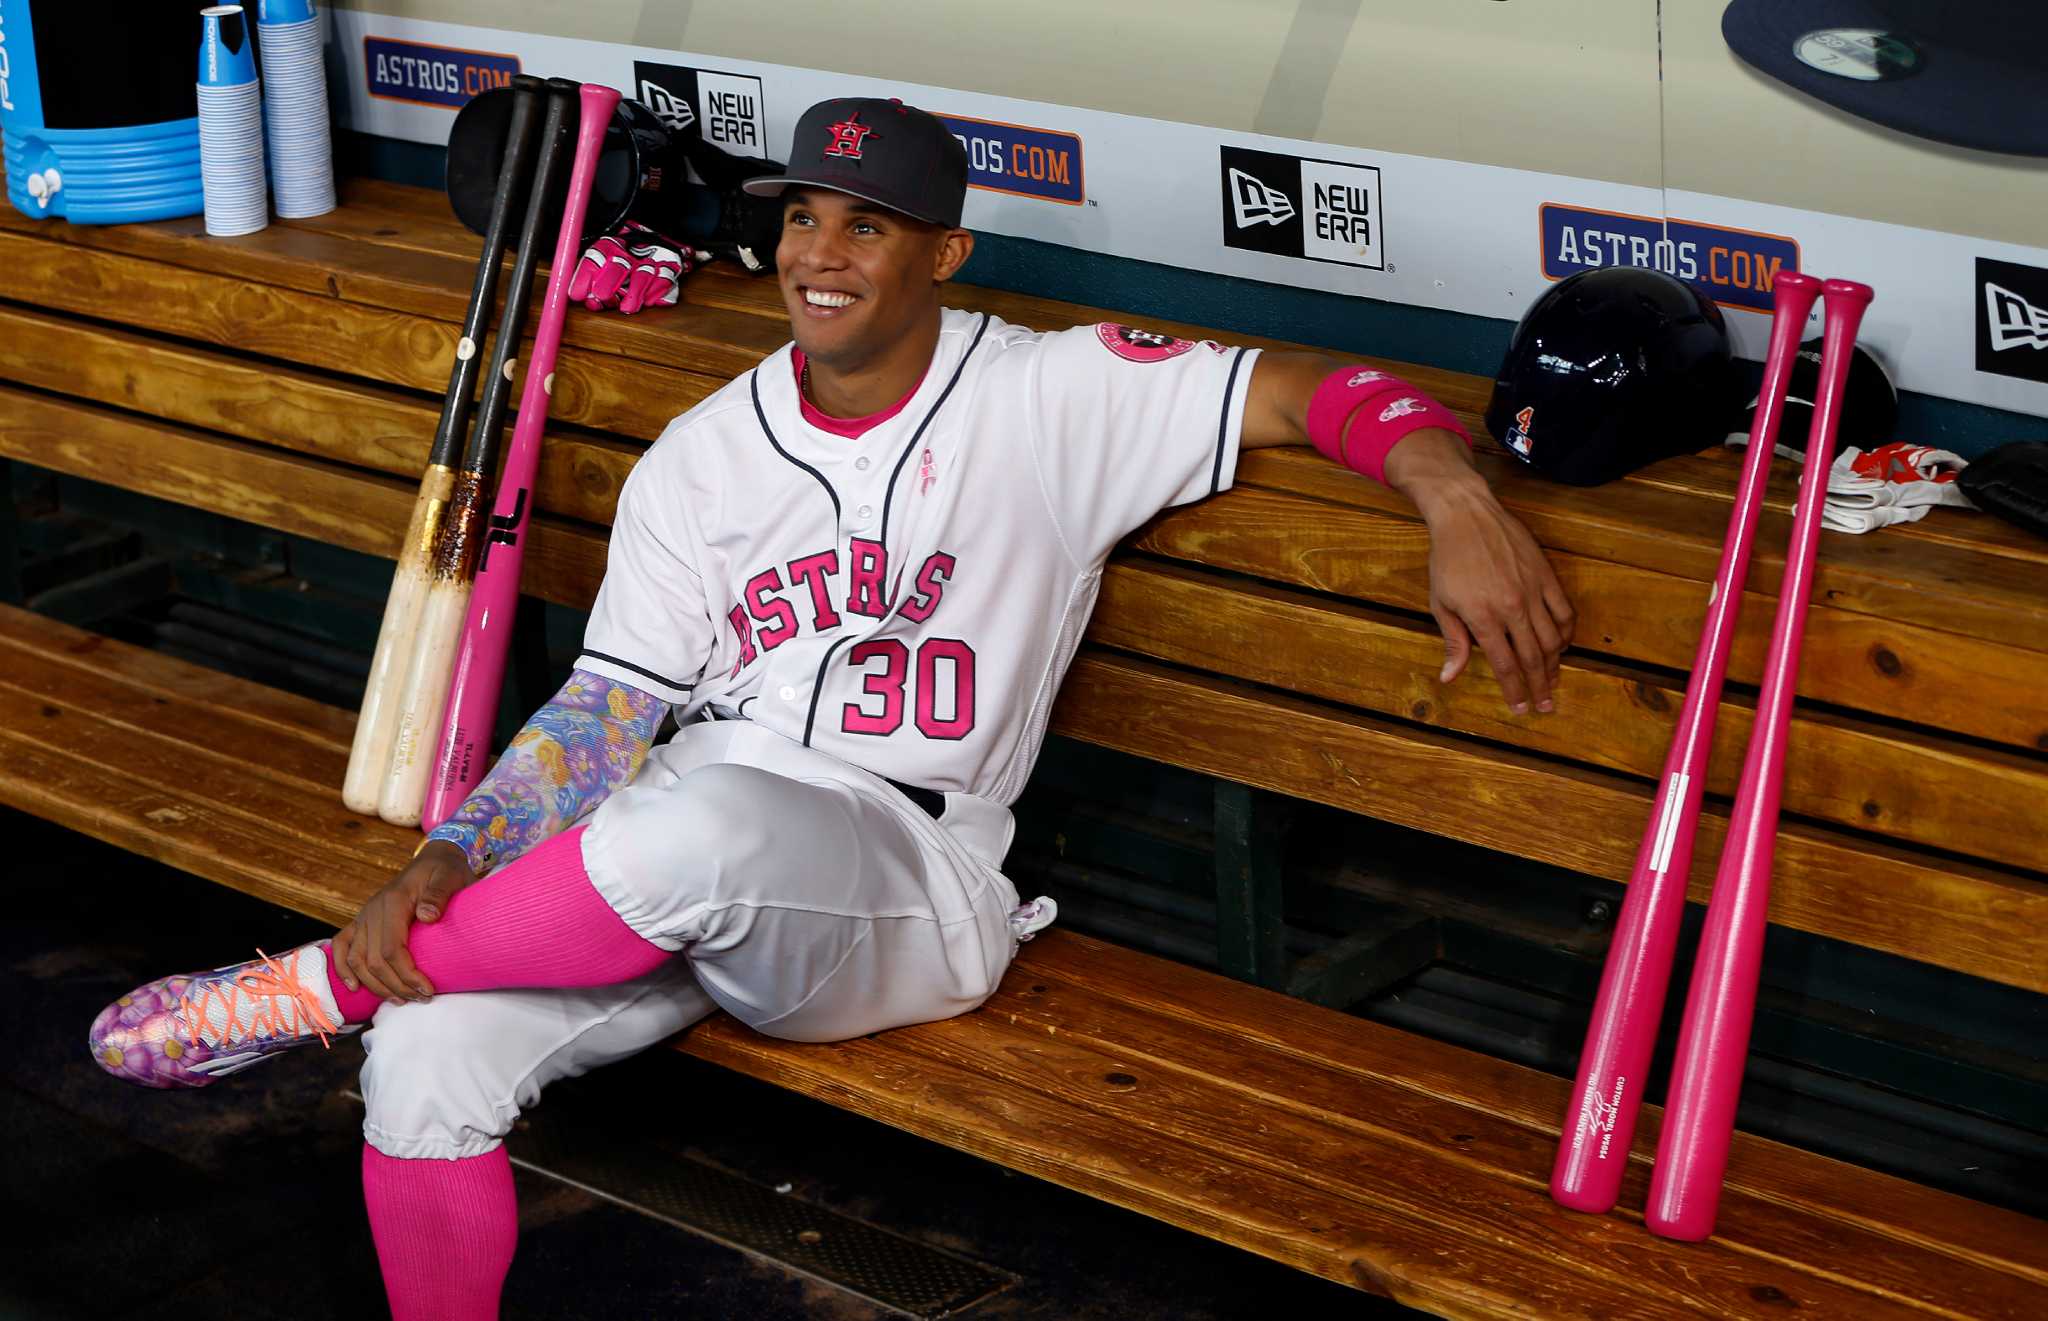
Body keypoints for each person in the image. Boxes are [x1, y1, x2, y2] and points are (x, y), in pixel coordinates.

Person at [88, 97, 1573, 1319]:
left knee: (697, 821)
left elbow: (1305, 380)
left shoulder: (1052, 397)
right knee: (430, 1057)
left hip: (906, 884)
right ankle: (372, 1029)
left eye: (868, 222)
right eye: (804, 214)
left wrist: (1449, 488)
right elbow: (605, 712)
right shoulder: (704, 452)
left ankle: (306, 995)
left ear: (945, 249)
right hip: (675, 873)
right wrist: (454, 859)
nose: (823, 249)